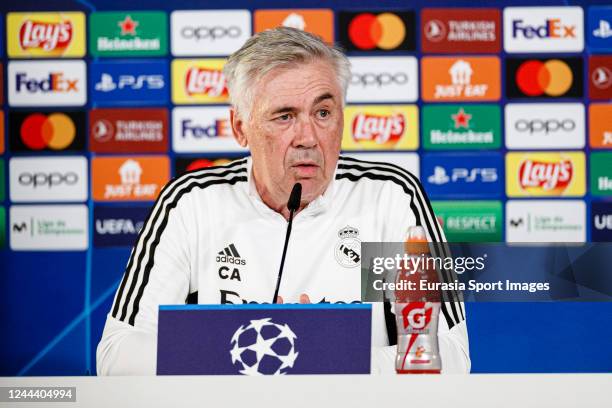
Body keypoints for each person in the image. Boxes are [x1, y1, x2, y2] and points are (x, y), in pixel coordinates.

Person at [97, 27, 470, 375]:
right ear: (240, 128)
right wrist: (265, 349)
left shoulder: (391, 196)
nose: (308, 136)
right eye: (285, 116)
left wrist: (323, 355)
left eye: (323, 113)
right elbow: (117, 356)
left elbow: (452, 356)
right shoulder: (192, 203)